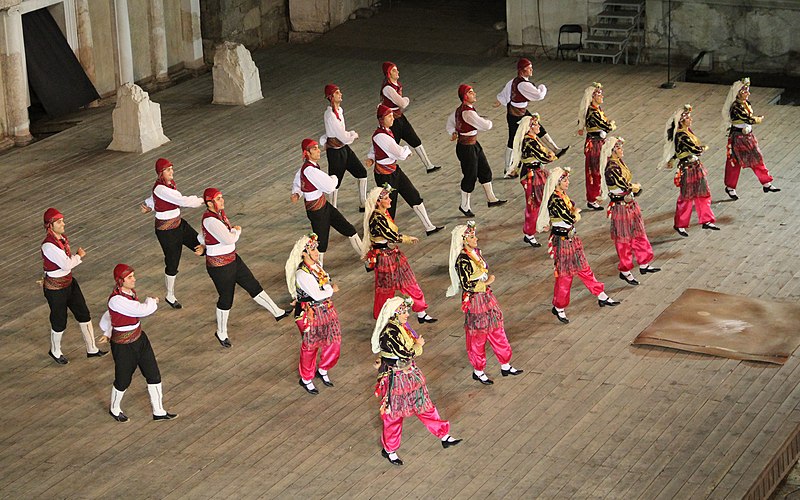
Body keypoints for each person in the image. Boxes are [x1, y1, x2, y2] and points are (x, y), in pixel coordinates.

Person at [372, 296, 461, 466]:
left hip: (409, 376)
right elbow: (406, 354)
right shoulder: (389, 332)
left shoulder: (402, 328)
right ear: (395, 314)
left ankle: (443, 435)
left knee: (425, 406)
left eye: (406, 311)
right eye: (403, 311)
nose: (407, 314)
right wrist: (418, 345)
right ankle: (390, 449)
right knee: (394, 416)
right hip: (395, 380)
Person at [200, 187, 288, 348]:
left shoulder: (217, 216)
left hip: (232, 259)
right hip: (220, 266)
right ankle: (221, 332)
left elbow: (203, 235)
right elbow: (229, 239)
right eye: (218, 199)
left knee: (252, 285)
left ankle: (277, 312)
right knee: (226, 298)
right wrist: (236, 230)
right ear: (210, 203)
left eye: (221, 197)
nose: (222, 200)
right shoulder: (211, 220)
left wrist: (205, 243)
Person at [536, 167, 619, 324]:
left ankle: (600, 294)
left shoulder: (562, 196)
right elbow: (569, 218)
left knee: (584, 268)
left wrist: (574, 213)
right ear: (558, 182)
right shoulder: (555, 200)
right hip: (562, 241)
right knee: (565, 275)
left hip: (571, 239)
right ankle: (559, 306)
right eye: (565, 180)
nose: (568, 182)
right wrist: (575, 213)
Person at [446, 221, 522, 385]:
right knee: (478, 336)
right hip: (476, 301)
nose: (476, 239)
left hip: (486, 298)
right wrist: (487, 283)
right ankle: (478, 370)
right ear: (465, 240)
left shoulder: (475, 253)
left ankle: (505, 364)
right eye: (472, 236)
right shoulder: (463, 260)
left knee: (496, 329)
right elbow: (466, 285)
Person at [99, 264, 176, 422]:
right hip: (123, 346)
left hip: (139, 338)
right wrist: (151, 300)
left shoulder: (129, 293)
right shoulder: (117, 299)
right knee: (123, 379)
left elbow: (111, 315)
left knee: (153, 374)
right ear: (120, 281)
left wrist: (107, 332)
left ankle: (159, 411)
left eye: (133, 275)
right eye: (130, 277)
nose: (134, 279)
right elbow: (141, 310)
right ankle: (114, 408)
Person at [362, 185, 436, 322]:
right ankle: (382, 318)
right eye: (386, 198)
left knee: (409, 281)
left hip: (392, 254)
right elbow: (391, 236)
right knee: (386, 290)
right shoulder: (377, 219)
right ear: (378, 202)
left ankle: (421, 312)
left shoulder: (383, 213)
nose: (390, 200)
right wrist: (408, 238)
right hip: (384, 257)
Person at [41, 208, 106, 364]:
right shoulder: (49, 246)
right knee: (59, 320)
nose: (63, 224)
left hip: (69, 283)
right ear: (50, 225)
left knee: (84, 314)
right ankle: (55, 351)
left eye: (62, 220)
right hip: (56, 289)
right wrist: (79, 256)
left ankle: (92, 348)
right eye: (59, 222)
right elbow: (66, 264)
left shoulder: (61, 238)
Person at [367, 104, 444, 236]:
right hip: (385, 176)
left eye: (392, 115)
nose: (392, 118)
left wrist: (371, 157)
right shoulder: (381, 136)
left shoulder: (386, 132)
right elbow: (399, 153)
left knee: (413, 195)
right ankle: (384, 237)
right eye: (389, 116)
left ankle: (429, 226)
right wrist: (407, 151)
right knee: (388, 206)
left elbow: (377, 149)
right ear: (381, 119)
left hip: (394, 171)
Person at [140, 158, 205, 309]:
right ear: (160, 173)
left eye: (171, 169)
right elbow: (181, 200)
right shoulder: (161, 189)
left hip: (178, 224)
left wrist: (149, 205)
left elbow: (155, 199)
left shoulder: (167, 186)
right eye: (168, 170)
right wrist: (203, 201)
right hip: (167, 232)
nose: (172, 172)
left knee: (200, 246)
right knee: (172, 262)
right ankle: (170, 295)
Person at [291, 138, 364, 263]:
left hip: (323, 206)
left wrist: (297, 192)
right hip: (317, 212)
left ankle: (367, 258)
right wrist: (335, 177)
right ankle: (318, 275)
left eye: (317, 148)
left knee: (349, 229)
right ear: (307, 153)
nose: (319, 151)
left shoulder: (308, 168)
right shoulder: (310, 170)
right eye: (314, 149)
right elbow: (330, 187)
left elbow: (298, 180)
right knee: (321, 245)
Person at [285, 233, 341, 395]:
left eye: (316, 249)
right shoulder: (302, 273)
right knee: (311, 346)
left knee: (333, 340)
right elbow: (317, 294)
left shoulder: (316, 266)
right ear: (304, 253)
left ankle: (323, 368)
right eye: (312, 250)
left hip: (326, 308)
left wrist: (326, 290)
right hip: (309, 312)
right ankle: (306, 378)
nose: (316, 253)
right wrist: (331, 289)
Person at [600, 137, 661, 285]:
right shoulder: (611, 168)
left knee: (638, 233)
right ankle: (625, 270)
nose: (622, 150)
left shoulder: (619, 163)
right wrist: (635, 187)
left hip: (630, 203)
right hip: (621, 207)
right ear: (613, 151)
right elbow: (624, 185)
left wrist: (634, 188)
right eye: (619, 148)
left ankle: (644, 262)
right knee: (623, 239)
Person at [495, 57, 567, 178]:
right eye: (529, 68)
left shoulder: (514, 81)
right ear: (522, 71)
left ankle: (555, 149)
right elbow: (538, 95)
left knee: (538, 127)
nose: (531, 70)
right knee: (513, 140)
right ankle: (508, 169)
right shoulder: (523, 84)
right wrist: (542, 87)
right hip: (516, 115)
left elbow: (504, 94)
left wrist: (499, 100)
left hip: (521, 111)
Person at [446, 84, 507, 217]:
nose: (474, 94)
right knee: (470, 176)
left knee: (484, 170)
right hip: (466, 148)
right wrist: (488, 121)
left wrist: (453, 131)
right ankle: (464, 205)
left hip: (473, 145)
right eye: (471, 92)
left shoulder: (460, 110)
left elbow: (450, 122)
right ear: (465, 96)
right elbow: (485, 126)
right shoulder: (468, 112)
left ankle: (491, 198)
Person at [661, 104, 720, 236]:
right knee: (686, 197)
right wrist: (703, 148)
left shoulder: (688, 132)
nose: (691, 120)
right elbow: (695, 149)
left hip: (696, 166)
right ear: (682, 121)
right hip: (687, 168)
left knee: (703, 193)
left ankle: (706, 220)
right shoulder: (681, 136)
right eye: (688, 118)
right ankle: (680, 224)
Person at [721, 77, 780, 199]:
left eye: (748, 90)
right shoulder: (736, 107)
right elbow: (748, 118)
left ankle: (766, 182)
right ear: (738, 93)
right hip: (738, 137)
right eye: (745, 91)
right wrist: (758, 119)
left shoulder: (746, 103)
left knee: (756, 157)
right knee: (735, 162)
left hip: (748, 136)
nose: (748, 93)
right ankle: (730, 187)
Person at [379, 61, 442, 173]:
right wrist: (407, 99)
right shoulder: (388, 88)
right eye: (394, 70)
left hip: (399, 118)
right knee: (392, 148)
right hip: (392, 121)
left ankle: (429, 165)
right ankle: (385, 170)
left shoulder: (396, 85)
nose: (397, 72)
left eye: (396, 69)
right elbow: (402, 103)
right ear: (388, 74)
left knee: (415, 140)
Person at [509, 113, 556, 248]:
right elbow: (544, 156)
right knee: (533, 204)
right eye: (535, 124)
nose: (538, 126)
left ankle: (544, 223)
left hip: (537, 172)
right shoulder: (529, 141)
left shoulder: (532, 138)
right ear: (529, 128)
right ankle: (529, 233)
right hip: (531, 176)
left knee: (544, 199)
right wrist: (552, 156)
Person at [320, 84, 369, 211]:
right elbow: (343, 136)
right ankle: (333, 210)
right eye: (337, 93)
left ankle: (363, 203)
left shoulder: (339, 111)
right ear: (331, 97)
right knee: (334, 182)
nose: (340, 94)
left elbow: (339, 133)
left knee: (361, 172)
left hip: (344, 149)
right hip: (336, 153)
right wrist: (353, 134)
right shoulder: (330, 115)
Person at [577, 82, 615, 210]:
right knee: (594, 171)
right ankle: (593, 198)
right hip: (594, 145)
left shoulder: (597, 110)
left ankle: (598, 194)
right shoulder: (593, 113)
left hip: (599, 142)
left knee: (601, 169)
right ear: (593, 97)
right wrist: (610, 125)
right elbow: (608, 126)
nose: (602, 96)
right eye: (599, 94)